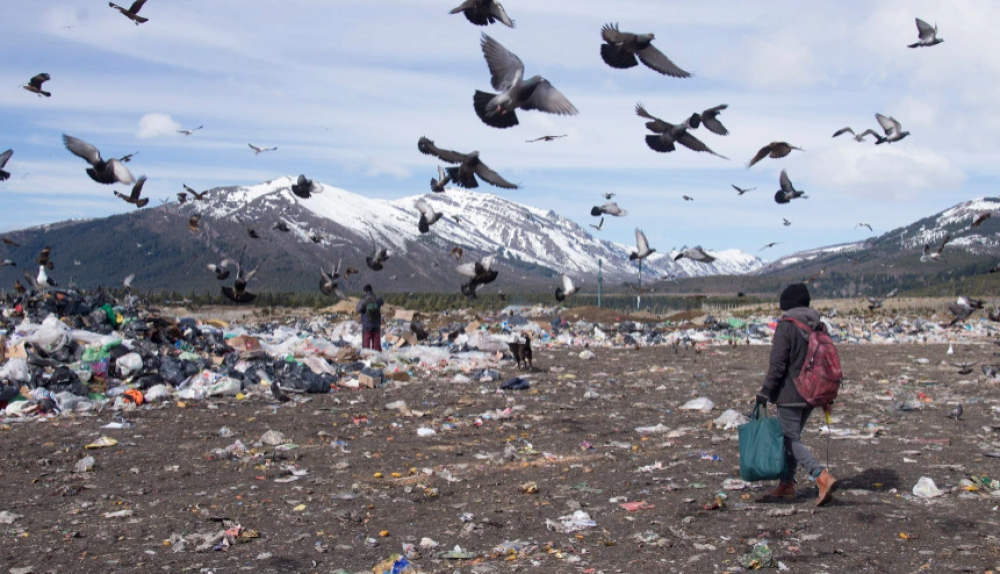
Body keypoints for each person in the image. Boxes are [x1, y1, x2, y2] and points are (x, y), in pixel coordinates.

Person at [756, 283, 839, 507]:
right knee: (791, 437)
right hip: (813, 393)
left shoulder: (787, 326)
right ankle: (786, 485)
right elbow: (826, 364)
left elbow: (778, 363)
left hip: (790, 393)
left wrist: (765, 391)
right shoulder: (819, 325)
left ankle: (820, 476)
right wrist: (827, 398)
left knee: (790, 438)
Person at [356, 285, 384, 351]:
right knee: (376, 341)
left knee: (366, 341)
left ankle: (367, 356)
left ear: (365, 291)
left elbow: (358, 309)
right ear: (372, 290)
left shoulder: (363, 300)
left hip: (367, 323)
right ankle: (377, 356)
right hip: (377, 322)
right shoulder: (378, 298)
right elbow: (382, 303)